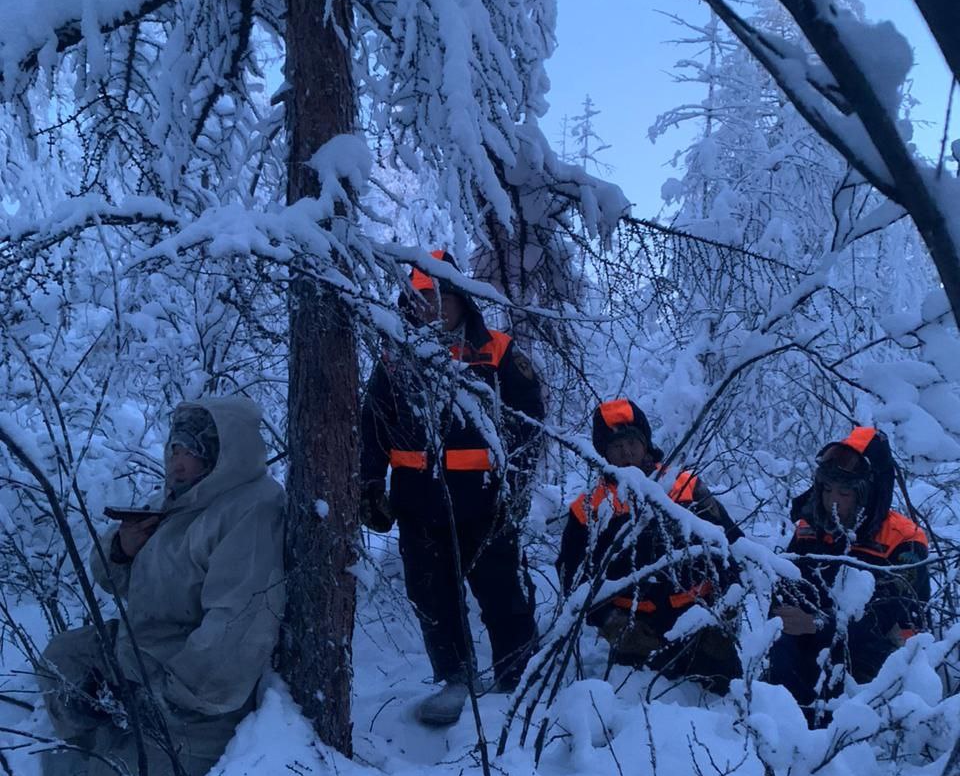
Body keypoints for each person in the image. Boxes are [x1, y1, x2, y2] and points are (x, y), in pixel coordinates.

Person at [38, 397, 285, 776]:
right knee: (63, 661)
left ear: (223, 453)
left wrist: (172, 697)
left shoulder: (252, 510)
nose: (177, 460)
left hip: (197, 694)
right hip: (141, 650)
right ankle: (109, 742)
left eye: (191, 450)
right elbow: (118, 581)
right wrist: (122, 548)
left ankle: (125, 754)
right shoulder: (182, 498)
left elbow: (238, 626)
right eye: (174, 448)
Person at [360, 250, 544, 726]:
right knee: (431, 597)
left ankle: (519, 679)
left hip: (486, 502)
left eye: (442, 296)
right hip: (417, 505)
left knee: (501, 593)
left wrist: (516, 487)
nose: (433, 306)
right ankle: (455, 679)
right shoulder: (394, 355)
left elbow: (528, 424)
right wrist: (367, 484)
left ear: (462, 299)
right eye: (422, 297)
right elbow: (372, 424)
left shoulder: (498, 351)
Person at [557, 398, 742, 694]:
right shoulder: (588, 507)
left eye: (632, 442)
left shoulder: (683, 485)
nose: (627, 452)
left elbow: (731, 542)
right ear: (604, 453)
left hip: (701, 621)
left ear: (645, 443)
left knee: (725, 702)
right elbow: (571, 574)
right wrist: (609, 621)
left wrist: (726, 603)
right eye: (616, 447)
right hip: (635, 633)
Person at [767, 425, 929, 724]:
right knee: (777, 648)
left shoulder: (905, 540)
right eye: (827, 489)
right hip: (814, 641)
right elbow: (787, 586)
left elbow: (884, 616)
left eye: (844, 492)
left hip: (880, 657)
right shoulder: (810, 527)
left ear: (869, 493)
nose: (833, 501)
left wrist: (816, 624)